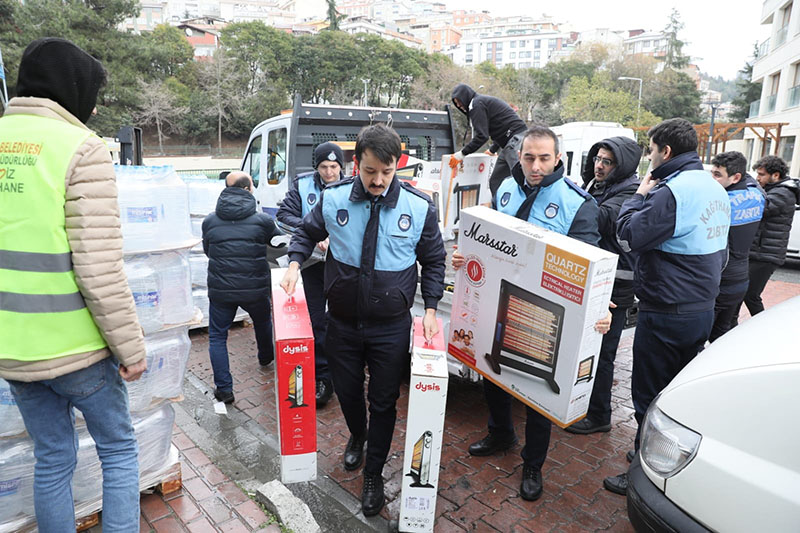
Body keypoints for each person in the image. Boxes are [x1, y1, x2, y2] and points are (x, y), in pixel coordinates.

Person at [0, 38, 146, 530]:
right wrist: (131, 349)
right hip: (78, 347)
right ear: (72, 89)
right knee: (120, 450)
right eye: (92, 92)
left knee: (53, 457)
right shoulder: (80, 148)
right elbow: (98, 268)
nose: (96, 105)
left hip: (13, 351)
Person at [280, 124, 446, 517]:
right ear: (356, 164)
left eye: (387, 173)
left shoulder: (418, 207)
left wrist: (432, 308)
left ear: (396, 167)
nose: (378, 181)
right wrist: (293, 262)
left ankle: (373, 472)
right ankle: (358, 434)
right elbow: (306, 233)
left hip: (390, 326)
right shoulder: (335, 199)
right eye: (371, 171)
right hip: (342, 322)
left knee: (384, 400)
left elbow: (434, 259)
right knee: (349, 393)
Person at [453, 125, 609, 502]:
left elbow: (590, 264)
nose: (535, 166)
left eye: (543, 158)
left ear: (558, 159)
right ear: (518, 157)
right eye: (528, 157)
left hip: (545, 312)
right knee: (493, 369)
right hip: (498, 298)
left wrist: (598, 307)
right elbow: (486, 237)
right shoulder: (505, 188)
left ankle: (533, 464)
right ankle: (500, 432)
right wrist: (464, 254)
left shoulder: (577, 203)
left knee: (539, 391)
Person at [604, 118, 730, 495]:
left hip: (665, 310)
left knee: (649, 394)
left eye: (652, 149)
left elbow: (627, 235)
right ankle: (664, 458)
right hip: (701, 307)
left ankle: (645, 473)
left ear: (666, 151)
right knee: (678, 392)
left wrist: (638, 195)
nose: (650, 157)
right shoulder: (713, 187)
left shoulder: (669, 192)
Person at [565, 136, 642, 435]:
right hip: (597, 280)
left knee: (603, 353)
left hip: (616, 285)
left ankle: (600, 415)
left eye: (607, 161)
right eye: (597, 158)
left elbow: (600, 218)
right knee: (588, 347)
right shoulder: (597, 185)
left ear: (620, 165)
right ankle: (586, 404)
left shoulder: (629, 192)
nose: (599, 165)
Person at [277, 142, 345, 407]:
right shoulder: (302, 186)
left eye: (334, 167)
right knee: (317, 320)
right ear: (316, 167)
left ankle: (344, 370)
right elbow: (284, 216)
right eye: (324, 167)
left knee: (342, 320)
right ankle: (323, 377)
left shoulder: (351, 186)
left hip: (343, 266)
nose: (329, 173)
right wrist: (314, 231)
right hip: (313, 265)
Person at [202, 171, 279, 404]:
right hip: (255, 287)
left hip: (221, 289)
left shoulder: (210, 221)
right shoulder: (263, 221)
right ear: (247, 190)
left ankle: (224, 390)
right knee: (264, 322)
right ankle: (266, 357)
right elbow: (279, 245)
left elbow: (209, 251)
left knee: (217, 337)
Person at [708, 152, 764, 342]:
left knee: (702, 340)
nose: (712, 179)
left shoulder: (722, 202)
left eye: (717, 175)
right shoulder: (757, 195)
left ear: (736, 177)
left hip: (721, 280)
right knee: (724, 336)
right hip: (740, 279)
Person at [735, 155, 799, 319]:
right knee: (740, 292)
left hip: (766, 255)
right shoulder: (774, 190)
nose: (758, 178)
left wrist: (750, 184)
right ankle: (729, 326)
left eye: (762, 174)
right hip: (759, 251)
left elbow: (761, 207)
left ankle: (763, 325)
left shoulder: (784, 193)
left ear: (775, 175)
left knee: (750, 294)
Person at [450, 83, 528, 196]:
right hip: (509, 142)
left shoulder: (476, 105)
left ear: (465, 97)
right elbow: (499, 127)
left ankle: (523, 210)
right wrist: (492, 150)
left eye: (459, 102)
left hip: (515, 140)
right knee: (496, 181)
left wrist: (461, 154)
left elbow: (482, 136)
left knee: (521, 179)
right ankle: (500, 209)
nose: (459, 106)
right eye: (456, 104)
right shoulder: (480, 102)